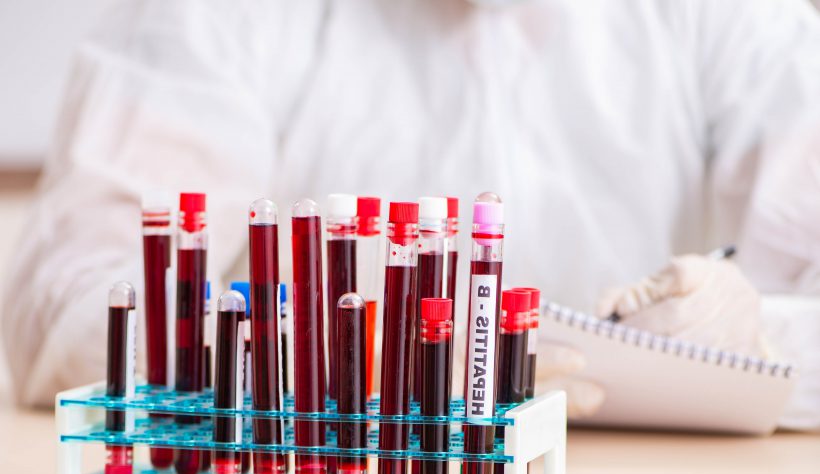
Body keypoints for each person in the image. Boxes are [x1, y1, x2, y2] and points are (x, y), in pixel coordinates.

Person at [2, 0, 819, 431]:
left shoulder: (736, 17)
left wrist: (763, 341)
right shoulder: (219, 15)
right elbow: (66, 307)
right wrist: (302, 363)